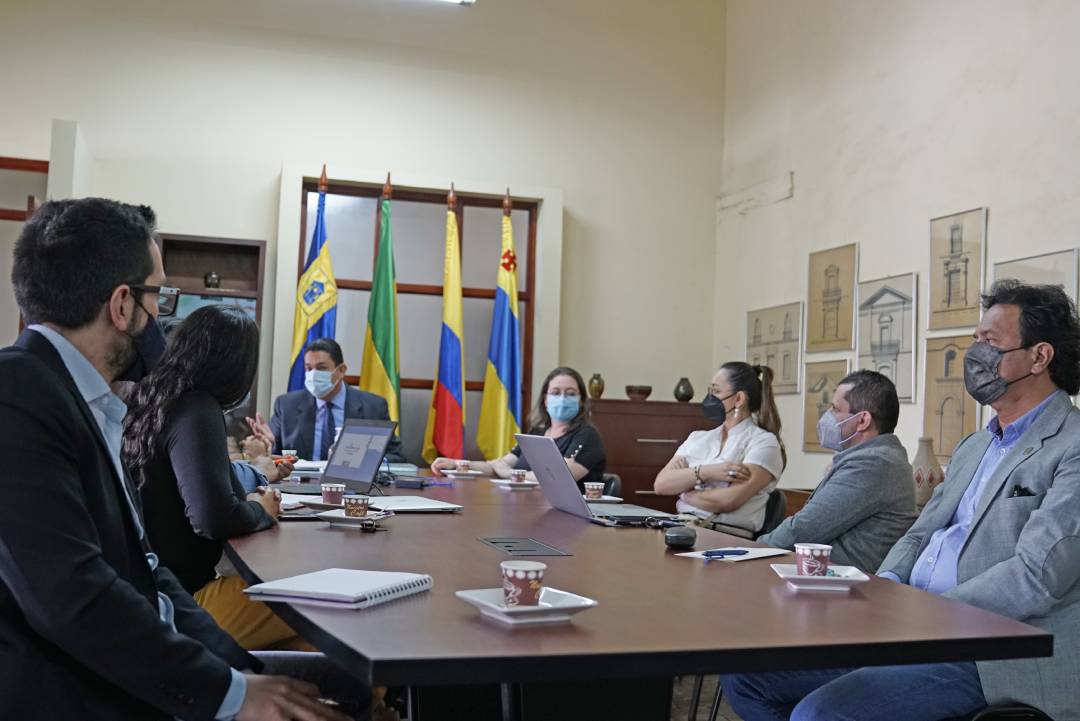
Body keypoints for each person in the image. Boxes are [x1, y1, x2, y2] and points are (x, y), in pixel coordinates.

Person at [0, 198, 352, 719]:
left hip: (131, 664)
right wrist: (230, 696)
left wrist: (241, 676)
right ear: (122, 306)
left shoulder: (82, 395)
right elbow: (72, 599)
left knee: (350, 688)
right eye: (158, 295)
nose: (162, 317)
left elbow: (149, 573)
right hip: (77, 691)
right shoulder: (16, 395)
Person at [722, 280, 1080, 721]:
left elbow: (1037, 574)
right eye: (975, 341)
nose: (974, 354)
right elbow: (921, 531)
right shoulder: (974, 446)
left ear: (1039, 356)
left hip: (996, 649)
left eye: (989, 341)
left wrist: (926, 614)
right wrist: (886, 585)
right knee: (747, 678)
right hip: (910, 624)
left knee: (821, 714)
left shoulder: (1072, 444)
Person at [123, 305, 321, 655]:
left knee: (310, 643)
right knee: (323, 602)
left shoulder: (153, 398)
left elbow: (212, 477)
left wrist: (258, 467)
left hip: (145, 597)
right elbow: (213, 519)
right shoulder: (197, 408)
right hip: (184, 604)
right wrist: (261, 510)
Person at [756, 370, 917, 572]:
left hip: (845, 587)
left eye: (835, 409)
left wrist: (754, 549)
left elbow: (805, 528)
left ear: (862, 420)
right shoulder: (878, 457)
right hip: (827, 577)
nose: (827, 416)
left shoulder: (872, 463)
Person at [653, 362, 785, 536]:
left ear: (738, 399)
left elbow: (729, 500)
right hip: (681, 530)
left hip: (726, 540)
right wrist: (706, 472)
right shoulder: (697, 438)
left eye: (716, 391)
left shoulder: (763, 443)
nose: (709, 398)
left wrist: (686, 493)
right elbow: (661, 485)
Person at [430, 366, 606, 491]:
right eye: (555, 393)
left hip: (571, 521)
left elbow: (560, 478)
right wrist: (457, 464)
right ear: (545, 400)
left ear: (582, 400)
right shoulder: (536, 433)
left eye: (571, 394)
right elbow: (499, 465)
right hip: (528, 510)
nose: (562, 398)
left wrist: (510, 474)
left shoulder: (587, 436)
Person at [247, 337, 404, 463]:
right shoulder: (287, 405)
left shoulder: (373, 406)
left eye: (321, 368)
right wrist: (268, 445)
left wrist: (366, 461)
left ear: (341, 370)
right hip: (299, 489)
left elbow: (396, 457)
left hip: (352, 488)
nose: (313, 374)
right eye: (309, 368)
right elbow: (276, 454)